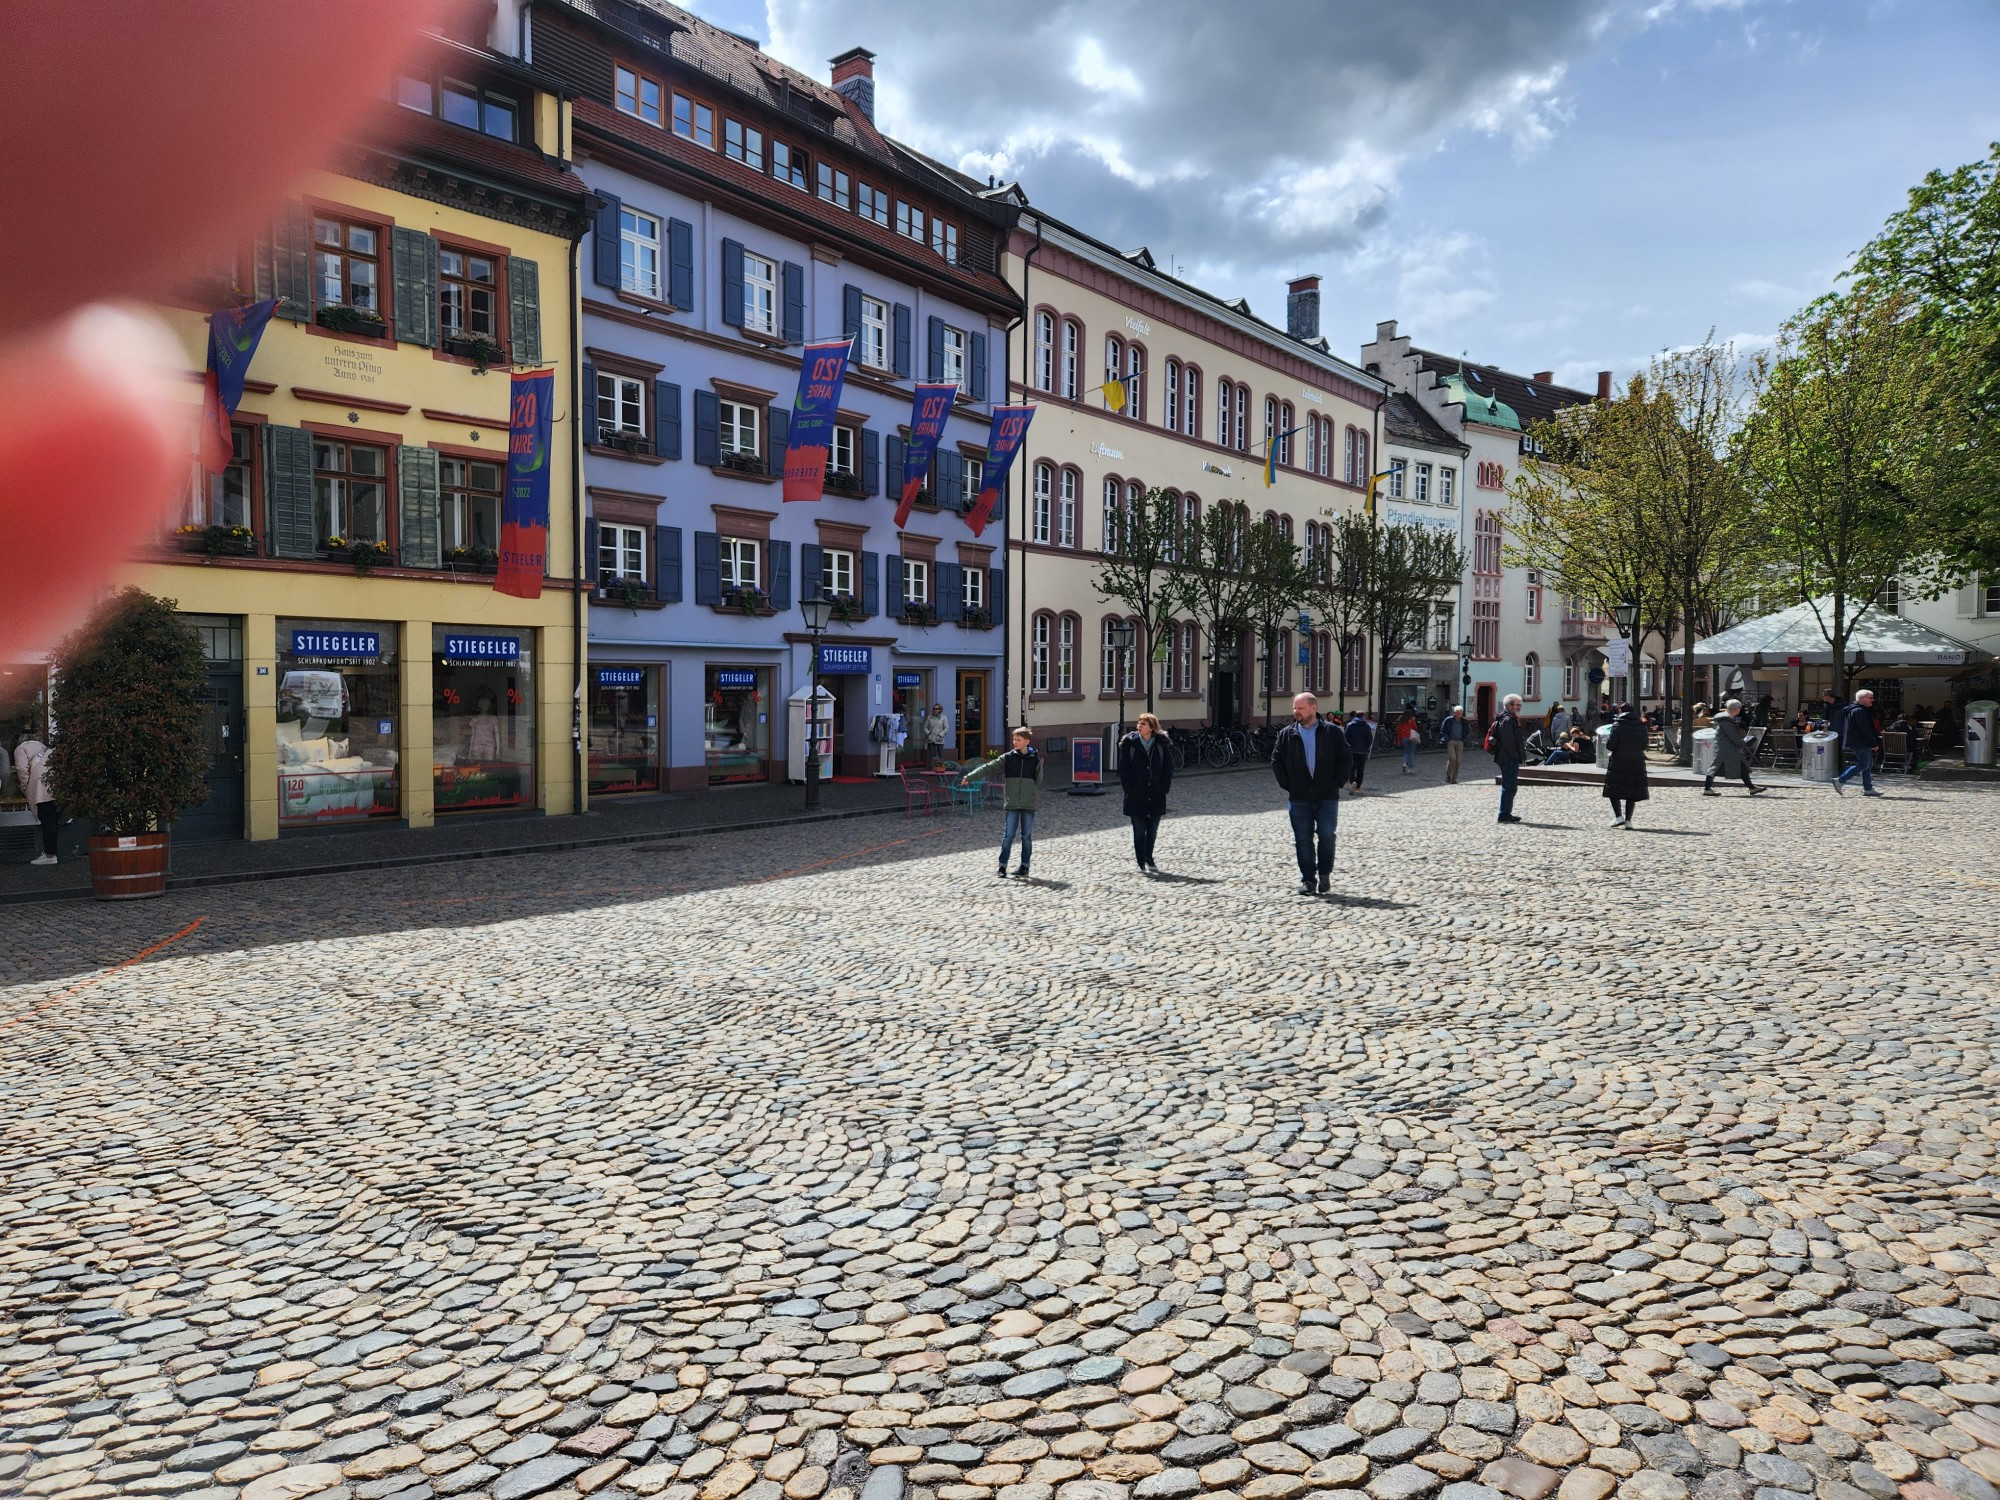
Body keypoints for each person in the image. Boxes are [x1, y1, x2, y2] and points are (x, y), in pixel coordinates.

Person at [1272, 691, 1350, 896]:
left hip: (1327, 796)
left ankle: (1324, 874)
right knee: (1302, 839)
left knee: (1326, 835)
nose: (1296, 712)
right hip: (1299, 797)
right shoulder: (1287, 734)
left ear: (1313, 708)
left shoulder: (1332, 732)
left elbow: (1345, 758)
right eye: (1294, 708)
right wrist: (1287, 784)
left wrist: (1337, 782)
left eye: (1300, 708)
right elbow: (1276, 760)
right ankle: (1308, 879)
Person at [962, 726, 1044, 877]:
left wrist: (1030, 791)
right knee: (1008, 835)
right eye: (1014, 739)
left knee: (1026, 836)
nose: (1015, 742)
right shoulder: (1007, 758)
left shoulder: (1035, 759)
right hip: (1012, 802)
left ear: (1027, 741)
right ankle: (1002, 867)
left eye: (1018, 739)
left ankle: (1024, 867)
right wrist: (970, 776)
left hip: (1028, 803)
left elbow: (1038, 779)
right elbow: (988, 768)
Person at [1116, 711, 1173, 875]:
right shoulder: (1130, 744)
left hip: (1156, 794)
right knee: (1139, 830)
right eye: (1139, 723)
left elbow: (1168, 768)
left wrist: (1164, 787)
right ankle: (1141, 860)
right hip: (1136, 794)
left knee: (1152, 830)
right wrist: (1129, 789)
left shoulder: (1161, 744)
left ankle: (1149, 856)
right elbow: (1124, 769)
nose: (1139, 726)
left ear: (1152, 728)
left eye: (1143, 724)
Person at [12, 729, 58, 866]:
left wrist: (25, 788)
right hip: (53, 781)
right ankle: (51, 852)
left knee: (47, 819)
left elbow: (21, 769)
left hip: (39, 785)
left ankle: (50, 854)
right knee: (52, 818)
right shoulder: (43, 747)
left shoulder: (20, 749)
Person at [1704, 698, 1765, 796]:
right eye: (1740, 708)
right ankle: (1707, 789)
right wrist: (1743, 743)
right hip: (1726, 750)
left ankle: (1752, 788)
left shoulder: (1725, 720)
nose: (1740, 710)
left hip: (1728, 749)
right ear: (1736, 709)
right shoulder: (1727, 722)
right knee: (1714, 768)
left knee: (1742, 767)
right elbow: (1733, 737)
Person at [1603, 701, 1649, 828]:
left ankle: (1618, 817)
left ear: (1620, 711)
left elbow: (1611, 745)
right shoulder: (1641, 726)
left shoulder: (1617, 725)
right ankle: (1628, 820)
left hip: (1619, 760)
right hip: (1636, 761)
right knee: (1632, 790)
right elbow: (1644, 745)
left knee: (1613, 789)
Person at [1834, 688, 1883, 796]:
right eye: (1870, 698)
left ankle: (1868, 788)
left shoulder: (1856, 709)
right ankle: (1841, 780)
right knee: (1864, 764)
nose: (1872, 700)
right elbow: (1865, 729)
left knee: (1868, 764)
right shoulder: (1859, 711)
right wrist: (1873, 743)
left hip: (1859, 741)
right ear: (1862, 699)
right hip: (1860, 742)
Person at [1489, 692, 1526, 823]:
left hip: (1508, 757)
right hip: (1507, 758)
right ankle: (1503, 814)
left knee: (1511, 786)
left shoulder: (1509, 718)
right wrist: (1515, 756)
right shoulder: (1507, 720)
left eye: (1520, 705)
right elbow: (1508, 742)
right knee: (1509, 786)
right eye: (1517, 705)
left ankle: (1506, 813)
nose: (1519, 707)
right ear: (1510, 706)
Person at [1438, 704, 1471, 784]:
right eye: (1458, 713)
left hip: (1460, 741)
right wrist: (1447, 738)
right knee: (1453, 758)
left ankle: (1453, 778)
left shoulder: (1464, 721)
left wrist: (1464, 739)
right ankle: (1448, 775)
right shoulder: (1448, 720)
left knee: (1458, 761)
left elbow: (1468, 731)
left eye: (1461, 713)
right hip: (1451, 741)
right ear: (1455, 713)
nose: (1460, 715)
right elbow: (1442, 730)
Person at [1343, 709, 1373, 794]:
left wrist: (1347, 747)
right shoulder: (1366, 726)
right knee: (1360, 769)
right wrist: (1366, 747)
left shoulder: (1349, 725)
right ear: (1363, 716)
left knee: (1351, 768)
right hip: (1362, 751)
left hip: (1352, 750)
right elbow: (1370, 739)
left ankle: (1352, 783)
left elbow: (1345, 738)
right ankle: (1358, 787)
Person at [1395, 709, 1421, 774]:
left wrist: (1398, 741)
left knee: (1406, 752)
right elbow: (1415, 728)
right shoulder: (1411, 720)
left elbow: (1399, 732)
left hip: (1404, 738)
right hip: (1411, 738)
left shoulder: (1401, 721)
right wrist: (1414, 720)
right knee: (1411, 753)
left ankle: (1404, 763)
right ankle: (1410, 769)